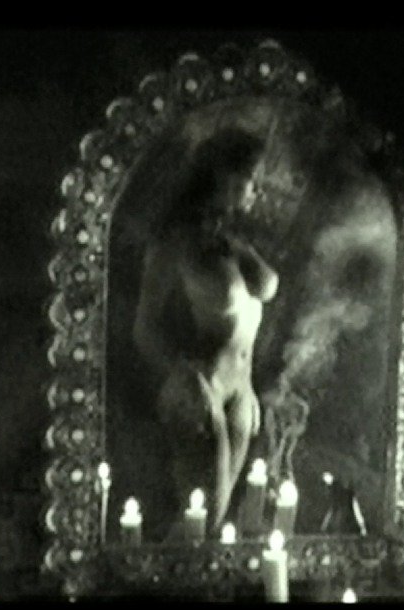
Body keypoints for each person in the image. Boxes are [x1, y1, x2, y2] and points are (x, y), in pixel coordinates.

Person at [132, 130, 279, 533]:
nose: (258, 188)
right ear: (223, 176)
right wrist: (185, 377)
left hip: (241, 391)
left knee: (213, 524)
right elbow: (144, 328)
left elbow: (256, 302)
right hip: (201, 389)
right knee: (204, 519)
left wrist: (249, 388)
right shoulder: (174, 243)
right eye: (251, 177)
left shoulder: (232, 241)